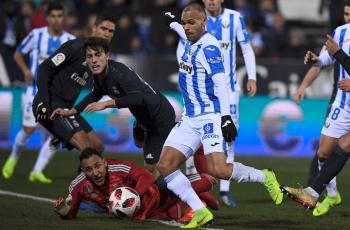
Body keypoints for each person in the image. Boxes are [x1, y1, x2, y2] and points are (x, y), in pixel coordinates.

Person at [157, 3, 282, 228]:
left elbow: (221, 84)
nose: (186, 27)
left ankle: (265, 176)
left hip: (210, 117)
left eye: (191, 22)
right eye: (185, 23)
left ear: (204, 22)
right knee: (165, 166)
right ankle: (200, 210)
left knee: (219, 170)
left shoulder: (209, 48)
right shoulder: (188, 37)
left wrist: (225, 118)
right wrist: (172, 21)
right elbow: (179, 29)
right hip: (189, 118)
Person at [49, 37, 176, 177]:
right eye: (89, 56)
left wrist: (106, 104)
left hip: (159, 118)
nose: (94, 60)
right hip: (143, 117)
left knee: (151, 167)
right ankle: (150, 127)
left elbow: (136, 98)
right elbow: (95, 94)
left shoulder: (119, 74)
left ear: (107, 56)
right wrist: (71, 111)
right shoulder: (99, 75)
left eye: (98, 55)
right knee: (139, 144)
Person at [177, 0, 258, 208]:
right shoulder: (192, 20)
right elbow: (181, 47)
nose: (211, 1)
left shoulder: (235, 18)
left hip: (227, 91)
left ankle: (224, 190)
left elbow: (247, 48)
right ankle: (195, 185)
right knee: (191, 138)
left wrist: (252, 77)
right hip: (200, 92)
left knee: (228, 138)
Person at [2, 1, 75, 183]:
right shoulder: (36, 35)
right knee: (28, 129)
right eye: (53, 16)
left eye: (60, 16)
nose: (56, 20)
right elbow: (18, 54)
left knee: (57, 134)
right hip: (34, 91)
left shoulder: (70, 41)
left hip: (57, 96)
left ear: (63, 18)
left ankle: (37, 171)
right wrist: (26, 71)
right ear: (47, 18)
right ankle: (13, 158)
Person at [290, 1, 350, 216]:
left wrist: (339, 53)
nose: (348, 18)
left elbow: (340, 55)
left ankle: (313, 192)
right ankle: (329, 194)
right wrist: (319, 59)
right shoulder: (340, 32)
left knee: (345, 145)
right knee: (324, 152)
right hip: (344, 104)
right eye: (346, 13)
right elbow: (329, 57)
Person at [32, 13, 116, 154]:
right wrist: (43, 101)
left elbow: (99, 90)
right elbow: (44, 68)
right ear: (94, 28)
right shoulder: (76, 46)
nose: (107, 33)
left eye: (111, 31)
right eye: (103, 28)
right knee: (86, 146)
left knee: (97, 147)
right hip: (51, 104)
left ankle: (85, 176)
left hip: (68, 109)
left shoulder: (102, 58)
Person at [53, 148, 217, 220]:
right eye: (88, 170)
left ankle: (202, 185)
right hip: (139, 214)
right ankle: (198, 199)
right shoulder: (78, 185)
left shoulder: (119, 167)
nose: (95, 173)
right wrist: (64, 212)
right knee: (172, 215)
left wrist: (134, 195)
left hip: (154, 196)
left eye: (97, 166)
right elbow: (71, 214)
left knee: (171, 188)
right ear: (82, 170)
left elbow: (146, 177)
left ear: (104, 162)